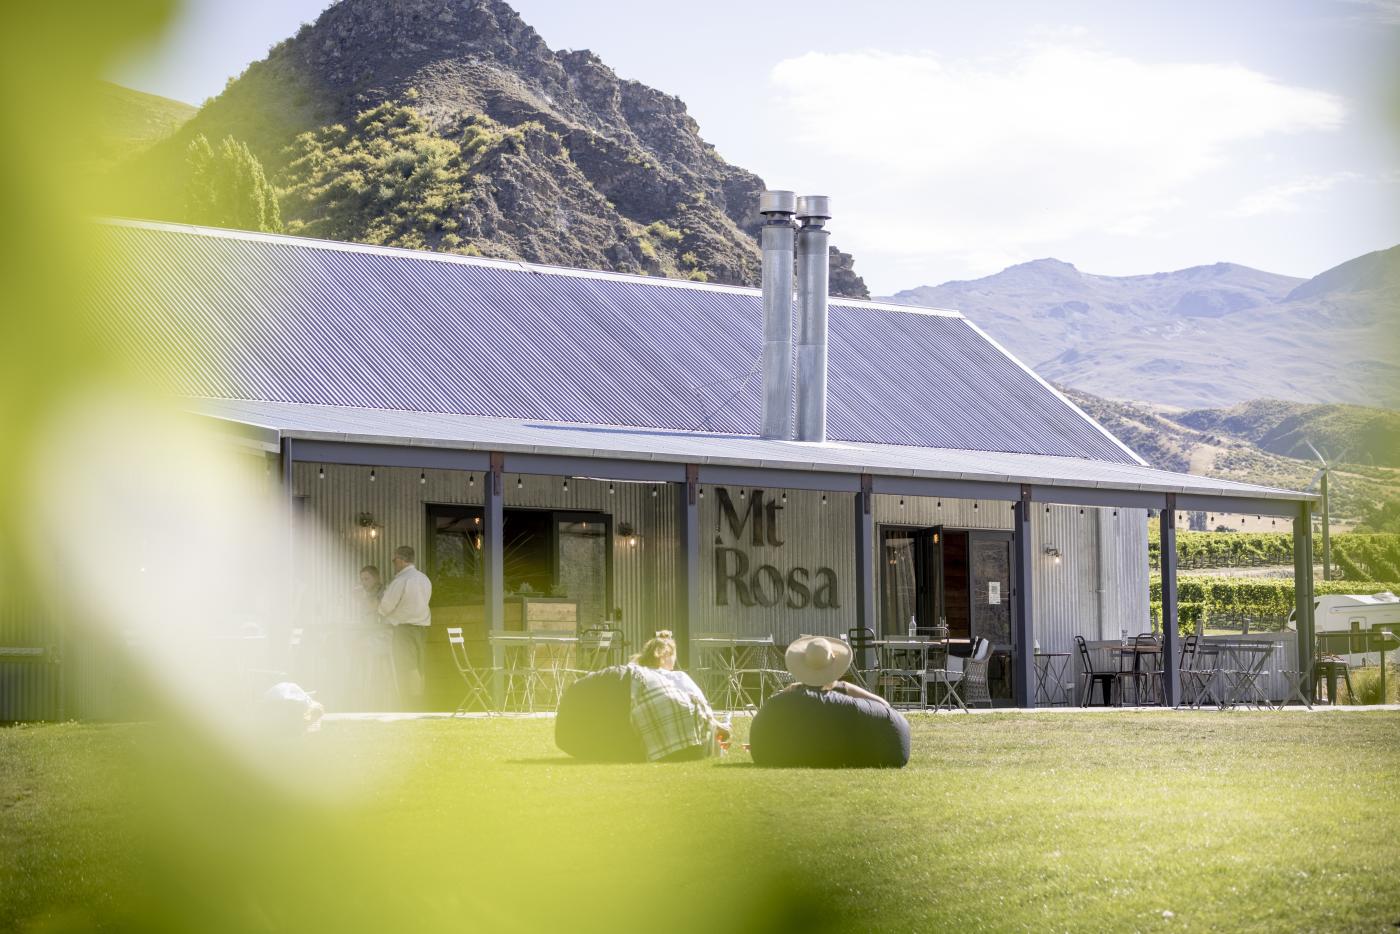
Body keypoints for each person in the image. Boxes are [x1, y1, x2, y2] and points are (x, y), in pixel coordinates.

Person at [748, 634, 910, 769]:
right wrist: (845, 689)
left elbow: (770, 715)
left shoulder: (790, 695)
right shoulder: (844, 689)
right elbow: (884, 706)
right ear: (833, 662)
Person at [627, 630, 730, 762]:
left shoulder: (637, 673)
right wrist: (717, 725)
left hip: (652, 744)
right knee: (712, 724)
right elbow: (702, 705)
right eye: (674, 655)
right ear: (665, 655)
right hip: (691, 744)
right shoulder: (678, 676)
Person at [379, 545, 432, 704]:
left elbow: (386, 606)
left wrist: (379, 609)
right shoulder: (424, 579)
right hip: (422, 627)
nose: (393, 563)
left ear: (401, 560)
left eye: (394, 559)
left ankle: (410, 701)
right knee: (418, 664)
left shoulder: (401, 580)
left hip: (403, 628)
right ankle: (420, 699)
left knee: (407, 665)